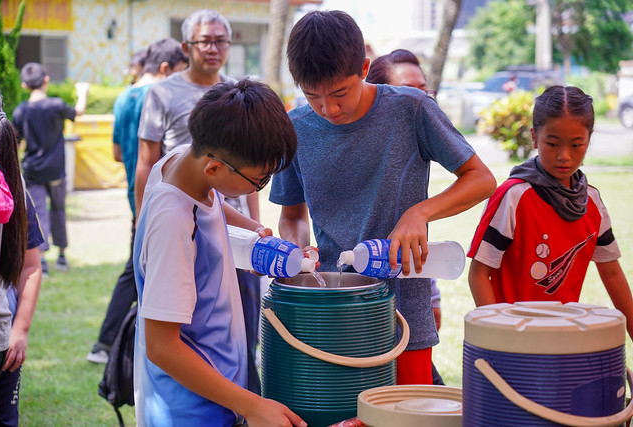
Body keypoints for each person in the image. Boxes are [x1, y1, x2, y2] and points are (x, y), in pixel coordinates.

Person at [269, 10, 496, 385]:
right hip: (332, 308)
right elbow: (292, 214)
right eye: (313, 96)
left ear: (363, 67)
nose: (330, 109)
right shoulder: (294, 130)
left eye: (340, 92)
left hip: (404, 306)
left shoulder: (411, 109)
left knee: (408, 411)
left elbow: (481, 179)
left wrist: (419, 213)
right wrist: (298, 249)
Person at [132, 78, 305, 426]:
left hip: (216, 395)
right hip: (189, 409)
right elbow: (161, 347)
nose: (262, 184)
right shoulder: (174, 225)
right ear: (214, 167)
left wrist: (252, 228)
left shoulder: (182, 162)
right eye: (260, 179)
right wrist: (254, 406)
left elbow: (212, 204)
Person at [134, 9, 263, 393]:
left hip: (223, 224)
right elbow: (147, 162)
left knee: (237, 322)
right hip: (184, 226)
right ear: (187, 46)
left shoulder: (237, 91)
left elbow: (235, 190)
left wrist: (255, 226)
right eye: (206, 41)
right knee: (189, 322)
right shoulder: (162, 92)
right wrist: (141, 224)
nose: (214, 49)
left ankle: (239, 392)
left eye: (221, 41)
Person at [468, 85, 633, 341]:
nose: (564, 156)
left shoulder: (592, 201)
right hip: (513, 339)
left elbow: (611, 273)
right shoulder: (514, 196)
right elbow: (479, 274)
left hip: (561, 339)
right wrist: (501, 338)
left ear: (589, 140)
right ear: (535, 137)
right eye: (552, 143)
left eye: (577, 144)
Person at [86, 39, 188, 364]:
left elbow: (117, 152)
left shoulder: (123, 97)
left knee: (135, 270)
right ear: (165, 69)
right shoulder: (159, 97)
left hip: (136, 196)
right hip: (158, 200)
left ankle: (106, 344)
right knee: (141, 273)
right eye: (180, 73)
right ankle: (109, 345)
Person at [366, 48, 445, 386]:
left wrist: (432, 297)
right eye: (411, 91)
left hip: (412, 306)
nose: (423, 100)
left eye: (426, 90)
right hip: (360, 311)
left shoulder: (419, 137)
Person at [12, 63, 89, 275]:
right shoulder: (55, 105)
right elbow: (78, 111)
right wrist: (82, 92)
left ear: (24, 85)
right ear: (46, 80)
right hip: (56, 170)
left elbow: (16, 145)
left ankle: (42, 260)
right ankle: (62, 256)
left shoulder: (20, 111)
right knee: (58, 210)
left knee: (37, 213)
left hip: (33, 170)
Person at [0, 84, 29, 422]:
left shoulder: (13, 188)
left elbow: (30, 265)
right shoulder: (11, 185)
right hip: (3, 330)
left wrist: (21, 329)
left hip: (4, 331)